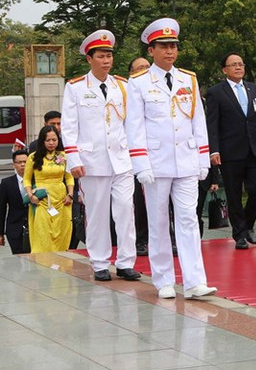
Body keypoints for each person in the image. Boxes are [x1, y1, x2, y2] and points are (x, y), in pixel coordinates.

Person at [126, 17, 217, 300]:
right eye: (163, 46)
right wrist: (140, 163)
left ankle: (194, 281)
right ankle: (164, 279)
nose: (170, 52)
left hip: (186, 159)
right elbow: (134, 125)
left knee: (189, 219)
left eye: (173, 46)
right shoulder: (138, 82)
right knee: (157, 220)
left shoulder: (188, 79)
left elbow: (198, 121)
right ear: (151, 50)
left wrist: (203, 158)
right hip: (156, 161)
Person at [61, 30, 141, 282]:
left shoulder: (123, 86)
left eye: (109, 56)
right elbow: (69, 127)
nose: (106, 60)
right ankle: (99, 262)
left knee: (126, 210)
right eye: (101, 56)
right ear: (89, 58)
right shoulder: (75, 87)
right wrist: (73, 159)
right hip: (92, 161)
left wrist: (136, 156)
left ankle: (126, 262)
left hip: (121, 159)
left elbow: (132, 123)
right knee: (96, 213)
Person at [205, 52, 256, 250]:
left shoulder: (254, 89)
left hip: (254, 149)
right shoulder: (216, 92)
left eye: (241, 64)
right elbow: (212, 124)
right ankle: (239, 234)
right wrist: (214, 150)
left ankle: (248, 225)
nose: (238, 67)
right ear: (224, 70)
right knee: (234, 195)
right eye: (233, 65)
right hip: (230, 151)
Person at [23, 125, 74, 253]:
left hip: (62, 200)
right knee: (42, 233)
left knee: (62, 231)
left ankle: (61, 264)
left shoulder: (63, 156)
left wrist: (70, 194)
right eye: (47, 140)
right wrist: (31, 196)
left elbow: (69, 177)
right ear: (42, 141)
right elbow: (27, 179)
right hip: (42, 201)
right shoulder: (33, 157)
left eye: (54, 140)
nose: (51, 143)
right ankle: (42, 264)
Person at [129, 57, 151, 256]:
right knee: (139, 201)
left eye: (147, 67)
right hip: (134, 157)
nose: (145, 70)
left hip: (158, 154)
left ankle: (171, 238)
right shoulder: (127, 93)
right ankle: (141, 239)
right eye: (140, 68)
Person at [0, 149, 30, 254]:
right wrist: (0, 233)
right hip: (15, 229)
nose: (22, 165)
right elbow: (1, 209)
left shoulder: (37, 181)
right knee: (19, 259)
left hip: (36, 227)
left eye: (25, 162)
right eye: (19, 162)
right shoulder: (6, 183)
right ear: (14, 165)